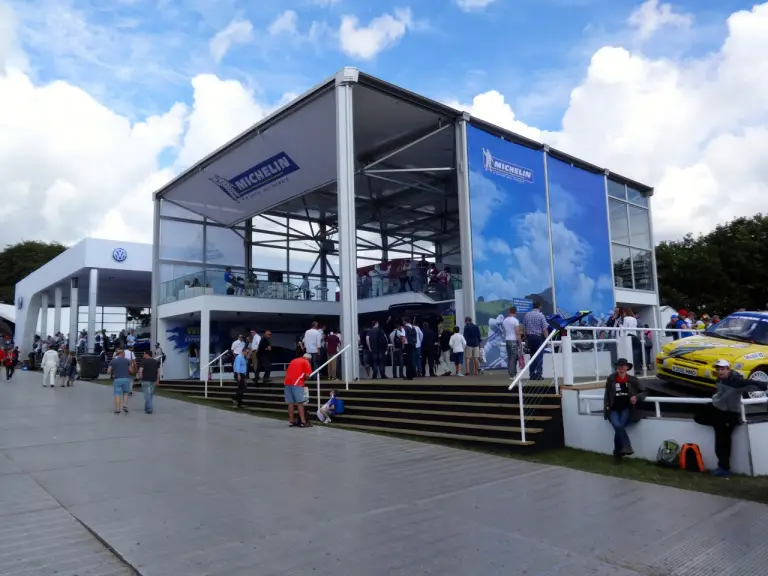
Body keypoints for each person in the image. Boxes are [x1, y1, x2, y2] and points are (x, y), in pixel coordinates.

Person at [696, 359, 768, 477]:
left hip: (729, 414)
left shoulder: (736, 380)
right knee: (717, 437)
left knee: (723, 441)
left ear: (728, 369)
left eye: (723, 369)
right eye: (718, 369)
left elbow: (751, 384)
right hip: (720, 411)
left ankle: (724, 468)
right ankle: (723, 467)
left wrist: (764, 386)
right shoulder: (720, 379)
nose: (720, 372)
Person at [603, 358, 646, 463]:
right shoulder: (611, 378)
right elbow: (607, 394)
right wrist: (607, 406)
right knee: (618, 426)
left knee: (619, 428)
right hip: (613, 408)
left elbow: (644, 391)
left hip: (626, 408)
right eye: (619, 366)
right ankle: (627, 446)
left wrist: (636, 397)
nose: (621, 368)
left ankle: (617, 454)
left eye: (623, 366)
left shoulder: (633, 379)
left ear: (627, 367)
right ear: (617, 367)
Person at [284, 353, 313, 427]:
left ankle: (291, 420)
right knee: (300, 403)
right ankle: (303, 422)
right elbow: (307, 375)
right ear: (308, 359)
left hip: (287, 383)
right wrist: (305, 379)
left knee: (290, 403)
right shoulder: (306, 362)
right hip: (297, 383)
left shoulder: (293, 360)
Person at [522, 302, 549, 380]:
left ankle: (532, 374)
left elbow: (524, 329)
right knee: (539, 357)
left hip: (530, 338)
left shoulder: (527, 315)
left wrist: (526, 339)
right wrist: (547, 339)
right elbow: (544, 329)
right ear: (540, 306)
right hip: (538, 338)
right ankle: (539, 374)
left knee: (532, 356)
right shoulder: (541, 315)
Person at [108, 350, 133, 414]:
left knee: (117, 394)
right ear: (122, 354)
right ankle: (124, 405)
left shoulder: (113, 361)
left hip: (117, 379)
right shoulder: (127, 360)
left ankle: (117, 409)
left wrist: (113, 372)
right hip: (126, 379)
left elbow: (108, 371)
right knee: (125, 393)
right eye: (124, 353)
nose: (124, 354)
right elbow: (131, 370)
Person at [502, 307, 521, 380]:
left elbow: (504, 332)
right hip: (513, 340)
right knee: (513, 358)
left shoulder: (505, 320)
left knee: (510, 357)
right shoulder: (515, 321)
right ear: (515, 312)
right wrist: (520, 342)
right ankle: (513, 374)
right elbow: (517, 332)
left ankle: (511, 373)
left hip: (507, 340)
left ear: (509, 311)